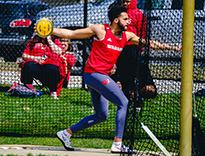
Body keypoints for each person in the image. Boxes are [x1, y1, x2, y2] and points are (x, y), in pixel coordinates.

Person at [42, 6, 181, 153]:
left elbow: (149, 43)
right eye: (125, 18)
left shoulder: (127, 36)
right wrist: (50, 30)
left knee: (101, 115)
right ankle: (117, 144)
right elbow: (72, 33)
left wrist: (172, 48)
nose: (129, 20)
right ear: (116, 20)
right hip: (94, 74)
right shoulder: (100, 30)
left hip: (101, 77)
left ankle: (66, 133)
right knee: (124, 102)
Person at [110, 0, 157, 100]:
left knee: (135, 70)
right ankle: (125, 89)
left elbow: (142, 32)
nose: (125, 4)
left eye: (127, 1)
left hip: (132, 47)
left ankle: (138, 91)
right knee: (123, 71)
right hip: (120, 47)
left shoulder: (138, 14)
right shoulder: (119, 13)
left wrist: (140, 48)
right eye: (123, 2)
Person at [20, 34, 76, 99]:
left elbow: (59, 52)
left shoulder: (55, 40)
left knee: (53, 68)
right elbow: (24, 55)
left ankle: (53, 91)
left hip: (49, 66)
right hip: (36, 64)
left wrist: (49, 40)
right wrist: (35, 58)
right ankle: (28, 89)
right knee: (28, 65)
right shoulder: (34, 40)